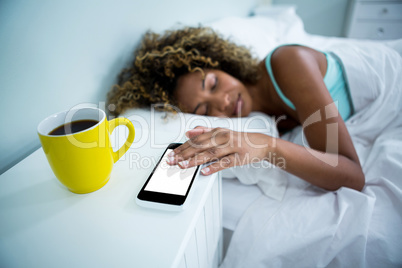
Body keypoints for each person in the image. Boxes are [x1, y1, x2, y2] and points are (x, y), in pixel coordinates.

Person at [107, 26, 365, 192]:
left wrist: (266, 146)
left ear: (222, 64)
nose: (222, 102)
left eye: (213, 83)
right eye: (205, 110)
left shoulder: (289, 63)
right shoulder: (258, 117)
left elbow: (352, 175)